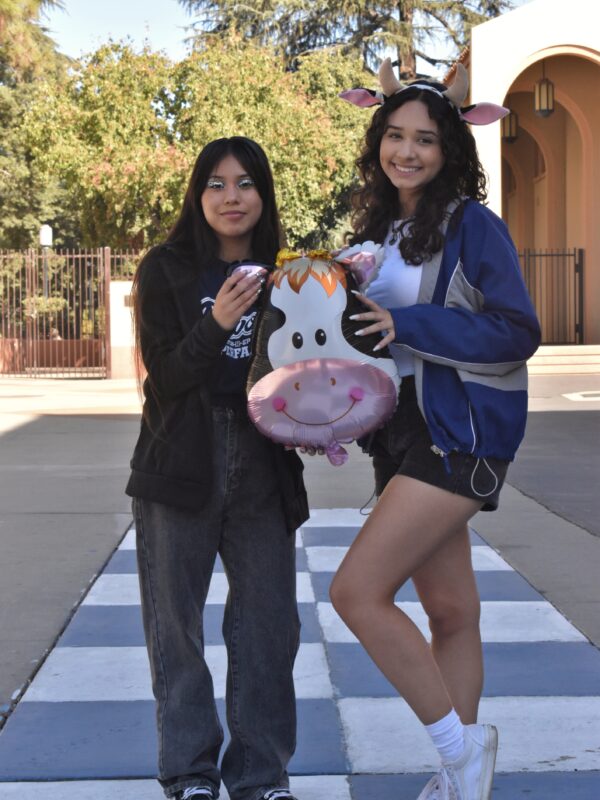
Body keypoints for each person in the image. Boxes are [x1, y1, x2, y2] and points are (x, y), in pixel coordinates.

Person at [331, 61, 541, 800]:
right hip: (404, 434)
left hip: (460, 432)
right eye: (394, 136)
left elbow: (518, 330)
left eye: (425, 139)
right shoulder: (379, 230)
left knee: (357, 592)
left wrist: (407, 322)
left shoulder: (472, 225)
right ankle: (464, 782)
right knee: (452, 612)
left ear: (450, 149)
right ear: (377, 142)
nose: (407, 152)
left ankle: (459, 752)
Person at [126, 136, 309, 800]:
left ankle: (262, 777)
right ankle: (190, 776)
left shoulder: (290, 274)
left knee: (269, 627)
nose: (232, 198)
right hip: (181, 459)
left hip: (264, 462)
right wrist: (219, 321)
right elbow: (165, 380)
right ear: (198, 195)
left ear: (264, 194)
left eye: (245, 184)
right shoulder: (167, 269)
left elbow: (305, 369)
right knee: (175, 627)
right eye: (216, 184)